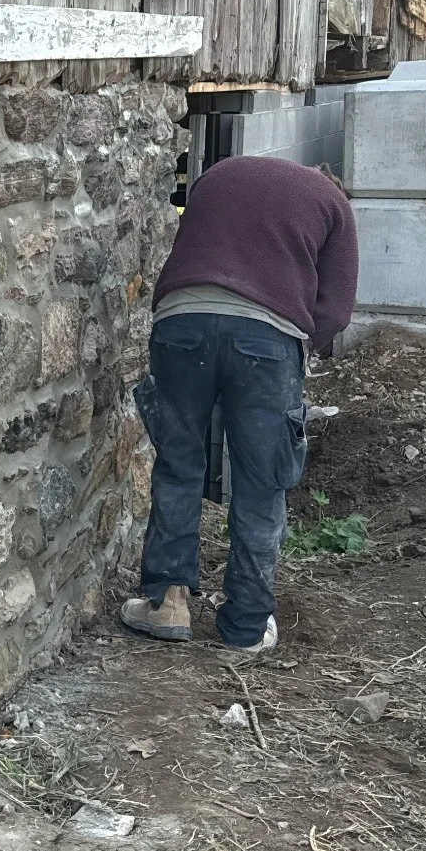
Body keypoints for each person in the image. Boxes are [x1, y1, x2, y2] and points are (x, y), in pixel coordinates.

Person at [121, 155, 358, 654]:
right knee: (261, 480)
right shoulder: (333, 202)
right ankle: (247, 626)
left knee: (179, 462)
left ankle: (167, 604)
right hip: (267, 343)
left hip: (180, 322)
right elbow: (334, 311)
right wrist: (294, 355)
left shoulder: (220, 173)